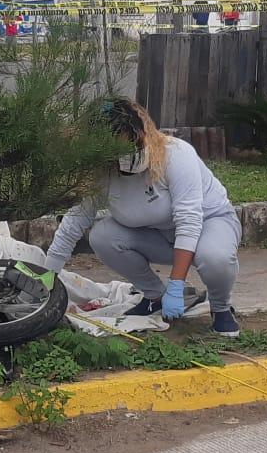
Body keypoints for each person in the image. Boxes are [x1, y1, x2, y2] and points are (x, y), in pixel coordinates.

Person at [44, 98, 242, 337]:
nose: (124, 156)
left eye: (127, 145)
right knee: (103, 236)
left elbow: (189, 221)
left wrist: (176, 286)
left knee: (214, 257)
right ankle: (154, 296)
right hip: (158, 236)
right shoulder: (100, 172)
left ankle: (221, 308)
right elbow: (75, 220)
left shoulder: (176, 154)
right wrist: (48, 276)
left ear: (140, 132)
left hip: (208, 225)